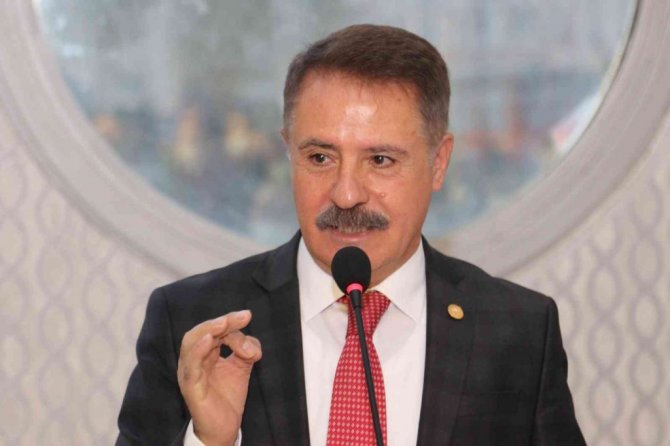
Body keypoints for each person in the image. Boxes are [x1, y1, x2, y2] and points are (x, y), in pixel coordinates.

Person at [116, 24, 585, 446]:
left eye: (380, 160)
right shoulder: (193, 323)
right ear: (289, 152)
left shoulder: (517, 332)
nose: (345, 195)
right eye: (320, 158)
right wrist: (210, 442)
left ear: (438, 162)